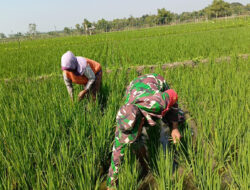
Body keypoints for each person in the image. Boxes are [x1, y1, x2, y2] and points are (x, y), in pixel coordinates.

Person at [107, 73, 182, 189]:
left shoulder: (157, 104)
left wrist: (175, 128)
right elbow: (116, 155)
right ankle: (144, 162)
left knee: (170, 116)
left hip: (154, 81)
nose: (130, 137)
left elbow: (173, 94)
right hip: (133, 87)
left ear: (142, 121)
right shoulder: (124, 121)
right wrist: (111, 184)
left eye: (134, 132)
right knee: (134, 143)